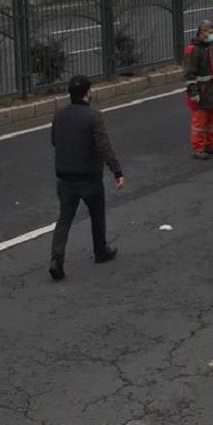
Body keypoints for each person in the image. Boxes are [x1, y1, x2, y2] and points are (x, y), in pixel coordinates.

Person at [48, 75, 124, 280]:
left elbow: (54, 141)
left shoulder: (59, 116)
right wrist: (117, 171)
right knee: (97, 213)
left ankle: (56, 259)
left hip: (65, 176)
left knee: (64, 218)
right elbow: (104, 146)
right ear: (87, 93)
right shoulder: (93, 116)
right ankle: (100, 250)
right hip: (89, 176)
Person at [182, 20, 213, 160]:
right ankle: (198, 149)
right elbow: (189, 74)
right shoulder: (193, 50)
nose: (211, 35)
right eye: (209, 33)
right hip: (202, 92)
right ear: (202, 32)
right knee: (200, 123)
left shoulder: (210, 47)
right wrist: (193, 92)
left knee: (212, 121)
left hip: (212, 91)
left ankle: (210, 145)